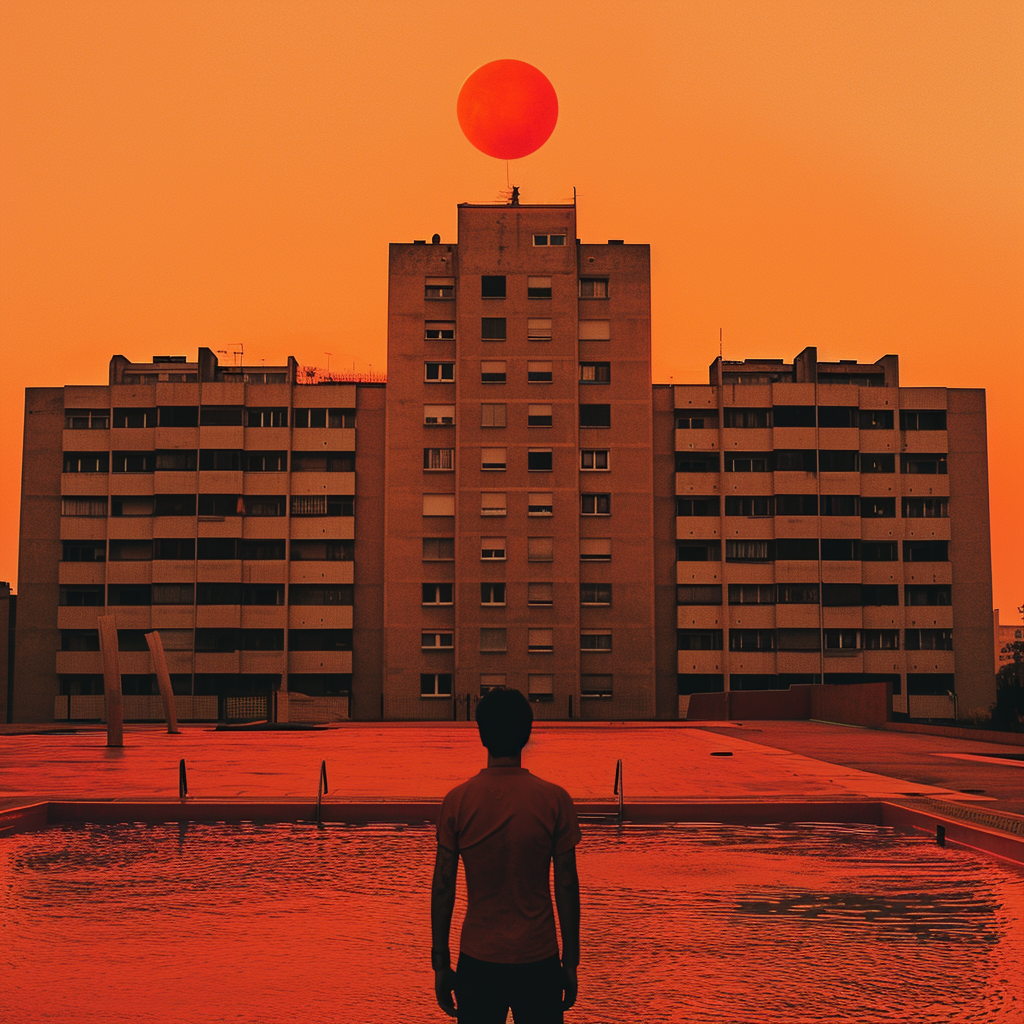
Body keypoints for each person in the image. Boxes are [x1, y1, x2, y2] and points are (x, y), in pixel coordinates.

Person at [431, 687, 581, 1023]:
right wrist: (570, 962)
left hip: (478, 958)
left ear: (481, 734)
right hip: (539, 959)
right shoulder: (555, 800)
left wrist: (440, 962)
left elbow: (443, 885)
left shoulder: (457, 801)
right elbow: (567, 884)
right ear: (527, 734)